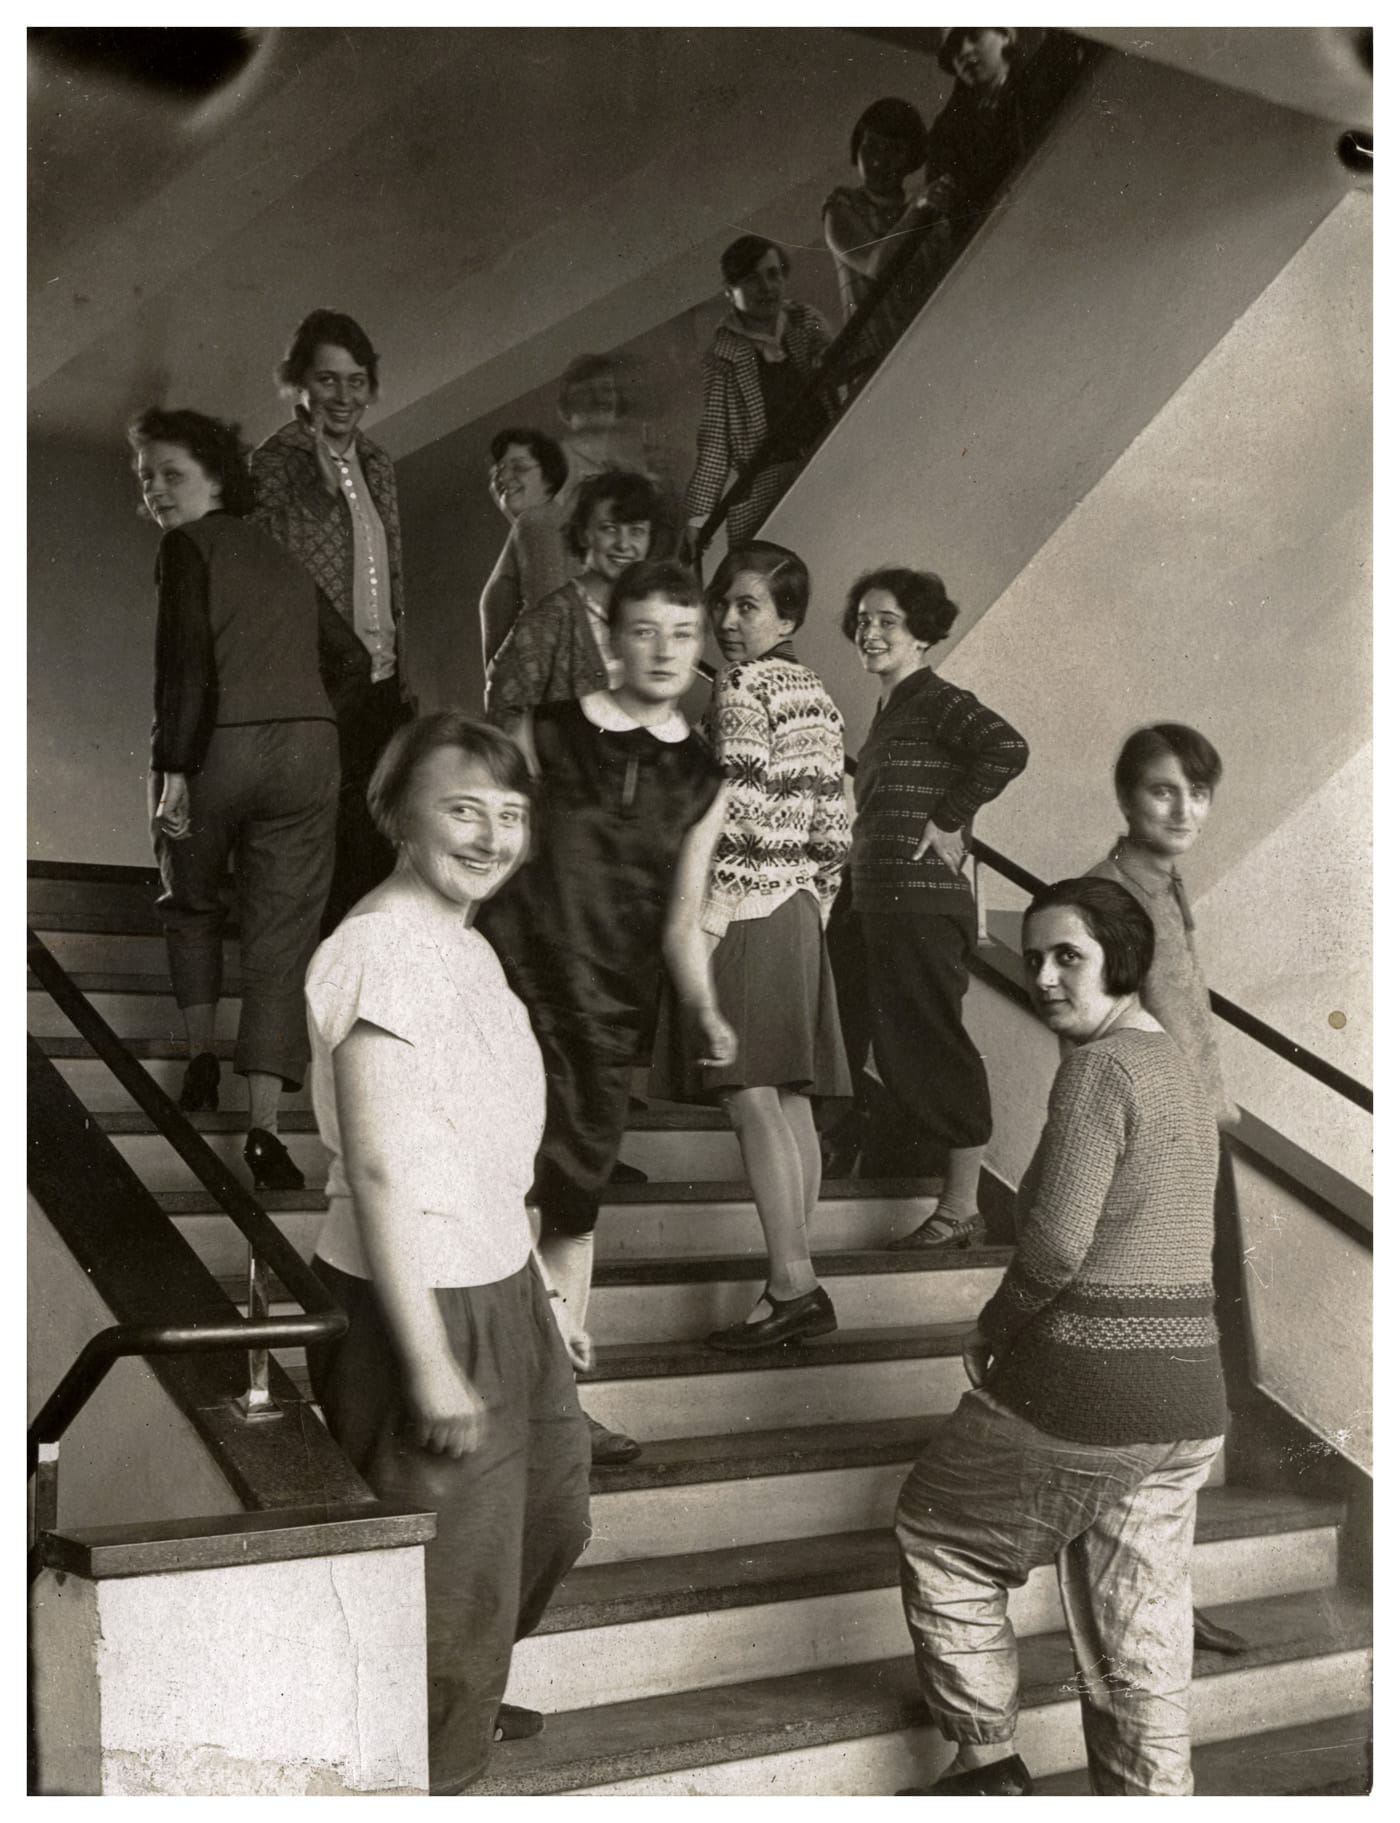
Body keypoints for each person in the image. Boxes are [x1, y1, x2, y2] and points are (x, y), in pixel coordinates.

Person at [302, 713, 591, 1796]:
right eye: (461, 807)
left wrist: (539, 1289)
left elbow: (482, 1146)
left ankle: (459, 1693)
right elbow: (381, 1169)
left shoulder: (464, 945)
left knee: (554, 1510)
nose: (489, 834)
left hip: (501, 1276)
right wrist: (427, 1363)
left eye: (510, 814)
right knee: (450, 1564)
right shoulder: (375, 950)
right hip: (411, 1293)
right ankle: (422, 1758)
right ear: (396, 813)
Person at [895, 876, 1226, 1797]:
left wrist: (993, 1327)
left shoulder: (1101, 1067)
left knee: (939, 1529)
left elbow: (1050, 1246)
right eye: (1033, 955)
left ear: (1120, 960)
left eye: (1066, 956)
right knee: (1138, 1615)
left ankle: (986, 1758)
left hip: (1093, 1384)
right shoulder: (1182, 1070)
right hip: (1189, 1399)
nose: (1041, 975)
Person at [478, 559, 735, 1462]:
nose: (664, 650)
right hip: (509, 986)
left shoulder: (705, 778)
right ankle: (492, 1393)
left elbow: (680, 915)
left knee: (574, 1207)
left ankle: (555, 1407)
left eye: (683, 632)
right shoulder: (542, 731)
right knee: (496, 1185)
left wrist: (703, 1009)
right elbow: (481, 847)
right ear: (609, 639)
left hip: (610, 1010)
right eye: (643, 630)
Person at [132, 407, 339, 1192]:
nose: (155, 490)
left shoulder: (184, 546)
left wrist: (175, 770)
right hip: (308, 752)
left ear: (217, 479)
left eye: (171, 474)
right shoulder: (286, 561)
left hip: (218, 745)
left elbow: (180, 666)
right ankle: (264, 1134)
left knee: (191, 902)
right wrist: (310, 718)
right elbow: (350, 662)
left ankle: (200, 1061)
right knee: (283, 938)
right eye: (146, 476)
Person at [653, 543, 851, 1350]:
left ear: (789, 618)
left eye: (751, 608)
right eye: (725, 605)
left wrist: (706, 915)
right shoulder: (820, 694)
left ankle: (794, 1282)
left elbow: (724, 806)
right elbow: (837, 827)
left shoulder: (742, 686)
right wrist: (813, 904)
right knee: (788, 1096)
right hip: (799, 908)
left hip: (743, 903)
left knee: (749, 1095)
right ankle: (789, 1281)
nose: (731, 624)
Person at [1087, 723, 1250, 1660]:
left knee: (1189, 1382)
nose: (1184, 809)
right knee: (1159, 1378)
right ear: (1127, 799)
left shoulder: (1166, 885)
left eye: (1197, 791)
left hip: (1199, 1146)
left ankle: (1163, 1592)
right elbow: (1103, 1044)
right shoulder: (1107, 897)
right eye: (1162, 791)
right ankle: (1144, 1600)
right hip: (1156, 1163)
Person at [837, 567, 1027, 1233]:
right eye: (863, 620)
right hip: (878, 903)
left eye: (887, 620)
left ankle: (962, 1207)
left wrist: (950, 818)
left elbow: (1006, 747)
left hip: (919, 905)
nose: (870, 631)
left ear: (921, 632)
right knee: (874, 1041)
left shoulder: (935, 696)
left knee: (929, 1044)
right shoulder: (893, 707)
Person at [250, 308, 411, 931]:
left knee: (372, 849)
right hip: (313, 685)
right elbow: (267, 580)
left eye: (355, 380)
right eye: (326, 379)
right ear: (299, 383)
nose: (342, 396)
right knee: (313, 858)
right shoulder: (275, 461)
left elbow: (392, 574)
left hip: (380, 684)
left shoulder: (380, 464)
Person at [683, 237, 832, 552]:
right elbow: (715, 441)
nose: (767, 288)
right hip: (769, 481)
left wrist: (824, 357)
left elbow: (834, 354)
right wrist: (699, 517)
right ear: (729, 291)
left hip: (826, 457)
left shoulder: (806, 320)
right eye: (752, 280)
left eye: (773, 275)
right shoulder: (722, 355)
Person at [484, 469, 666, 727]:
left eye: (637, 531)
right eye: (609, 528)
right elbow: (502, 712)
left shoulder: (651, 614)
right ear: (583, 534)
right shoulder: (548, 621)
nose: (624, 545)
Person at [822, 97, 930, 320]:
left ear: (912, 157)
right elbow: (876, 265)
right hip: (877, 351)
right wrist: (919, 209)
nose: (879, 161)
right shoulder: (841, 205)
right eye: (870, 146)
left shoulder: (923, 205)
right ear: (856, 149)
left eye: (894, 150)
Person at [478, 427, 569, 676]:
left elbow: (546, 621)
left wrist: (496, 676)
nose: (504, 477)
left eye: (519, 468)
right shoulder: (546, 522)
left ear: (550, 476)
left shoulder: (535, 522)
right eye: (500, 469)